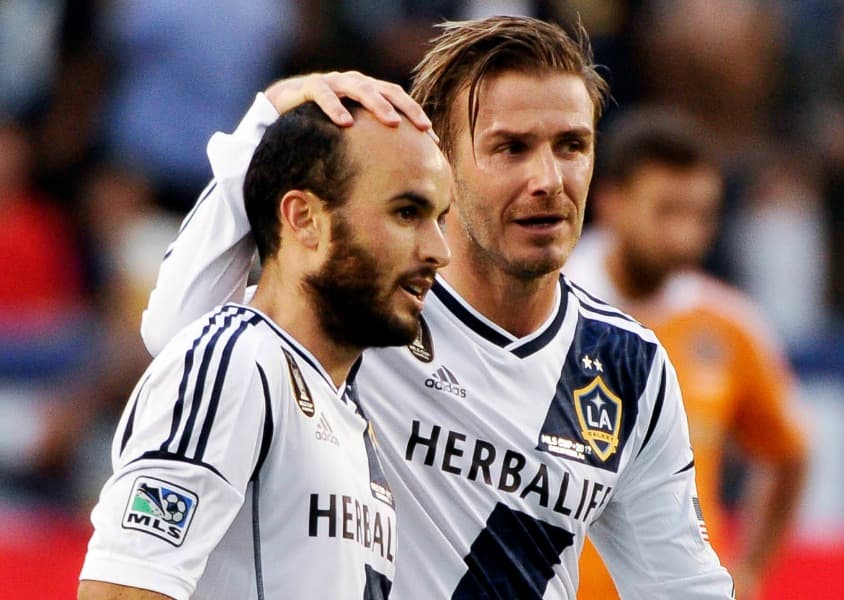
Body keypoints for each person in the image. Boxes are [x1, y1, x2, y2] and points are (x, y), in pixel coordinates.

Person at [140, 17, 735, 598]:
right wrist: (266, 120)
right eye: (511, 148)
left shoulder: (628, 365)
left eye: (572, 146)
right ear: (442, 163)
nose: (549, 180)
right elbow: (180, 337)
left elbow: (683, 585)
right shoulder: (362, 312)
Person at [77, 96, 452, 598]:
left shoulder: (350, 414)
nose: (439, 251)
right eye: (407, 213)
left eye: (440, 219)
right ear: (304, 218)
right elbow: (120, 590)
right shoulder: (235, 361)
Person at [564, 107, 808, 599]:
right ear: (610, 202)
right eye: (668, 211)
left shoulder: (729, 325)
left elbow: (787, 453)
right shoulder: (547, 309)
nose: (686, 235)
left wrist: (750, 570)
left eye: (701, 215)